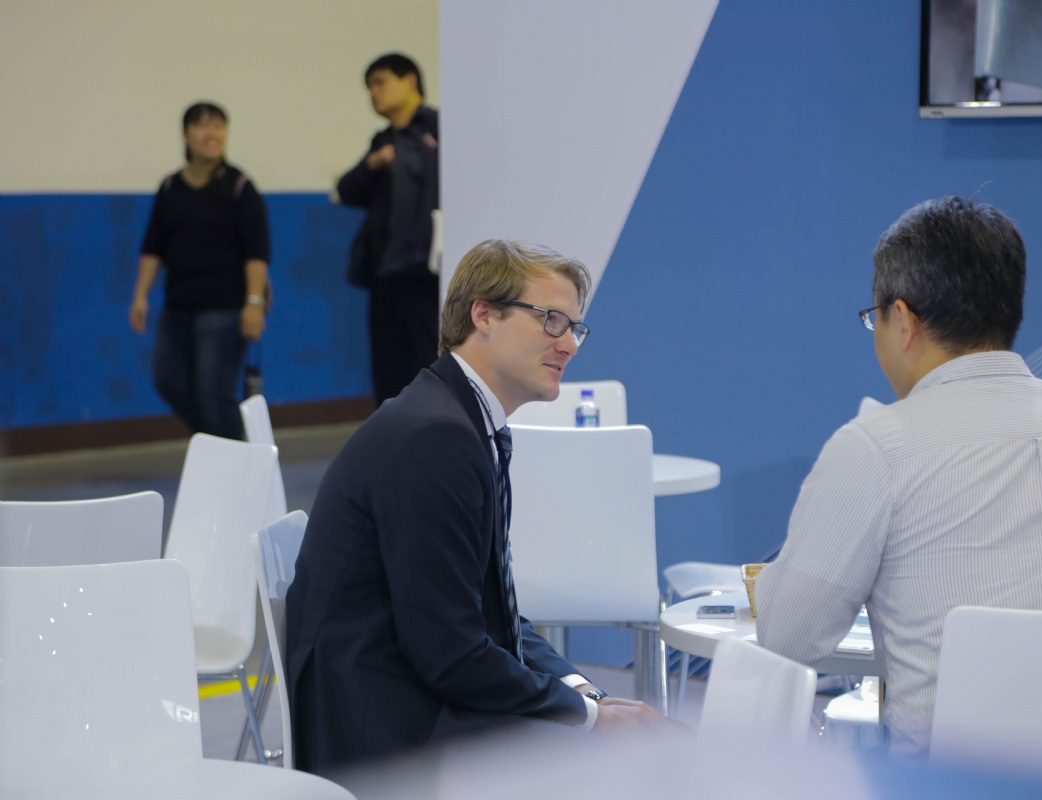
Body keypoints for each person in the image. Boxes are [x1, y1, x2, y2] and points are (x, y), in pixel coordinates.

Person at [754, 196, 1042, 756]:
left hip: (950, 781)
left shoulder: (876, 447)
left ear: (903, 320)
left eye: (874, 319)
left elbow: (786, 638)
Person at [286, 239, 664, 776]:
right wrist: (591, 719)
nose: (569, 344)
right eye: (551, 320)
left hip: (400, 693)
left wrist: (584, 693)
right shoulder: (436, 436)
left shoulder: (455, 417)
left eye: (575, 328)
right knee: (637, 762)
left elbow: (492, 616)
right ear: (483, 315)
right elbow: (451, 654)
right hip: (384, 729)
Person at [129, 101, 270, 440]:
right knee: (169, 381)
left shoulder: (240, 187)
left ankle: (234, 455)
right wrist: (140, 295)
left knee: (213, 392)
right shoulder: (170, 188)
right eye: (203, 125)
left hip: (224, 308)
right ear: (186, 134)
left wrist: (254, 301)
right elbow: (153, 246)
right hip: (178, 306)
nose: (212, 134)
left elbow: (256, 252)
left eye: (219, 126)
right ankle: (223, 443)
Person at [337, 52, 440, 406]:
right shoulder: (382, 141)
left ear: (410, 81)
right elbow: (347, 190)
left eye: (380, 82)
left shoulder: (438, 128)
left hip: (428, 272)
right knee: (387, 367)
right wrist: (373, 163)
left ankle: (436, 428)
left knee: (428, 360)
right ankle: (391, 432)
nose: (374, 93)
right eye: (369, 87)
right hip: (385, 271)